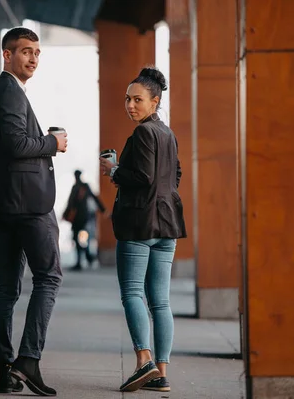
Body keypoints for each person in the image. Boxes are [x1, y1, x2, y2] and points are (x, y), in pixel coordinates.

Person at [0, 27, 68, 396]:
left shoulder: (1, 94)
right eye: (26, 51)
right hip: (28, 206)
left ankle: (5, 370)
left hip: (3, 207)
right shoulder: (9, 92)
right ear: (7, 55)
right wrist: (52, 143)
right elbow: (15, 144)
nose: (33, 58)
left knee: (6, 286)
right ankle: (28, 359)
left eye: (37, 52)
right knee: (49, 277)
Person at [99, 67, 187, 393]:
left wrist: (114, 170)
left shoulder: (143, 134)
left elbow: (144, 178)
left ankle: (143, 361)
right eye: (127, 99)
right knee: (160, 302)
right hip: (167, 225)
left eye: (138, 99)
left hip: (139, 225)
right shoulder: (168, 133)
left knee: (133, 293)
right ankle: (161, 373)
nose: (130, 105)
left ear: (155, 101)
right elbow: (173, 176)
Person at [62, 170, 105, 270]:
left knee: (79, 239)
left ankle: (83, 260)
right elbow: (94, 198)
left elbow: (71, 203)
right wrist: (103, 210)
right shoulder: (83, 187)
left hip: (80, 218)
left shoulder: (80, 187)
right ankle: (87, 257)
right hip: (81, 217)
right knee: (79, 239)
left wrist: (103, 210)